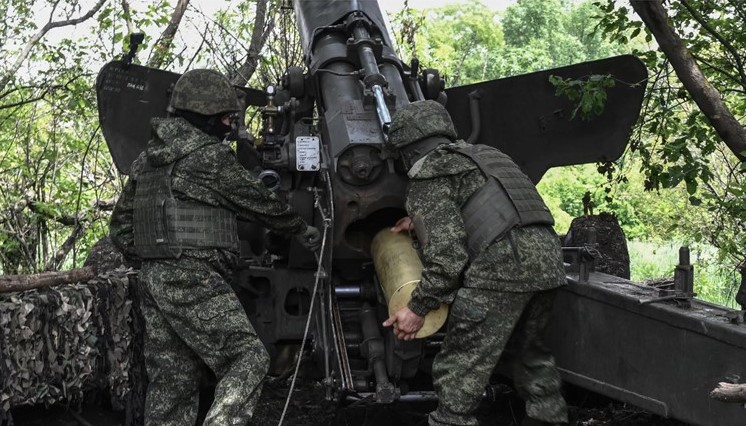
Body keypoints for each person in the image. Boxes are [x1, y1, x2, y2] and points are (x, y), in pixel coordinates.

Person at [109, 69, 321, 426]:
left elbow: (120, 228)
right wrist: (301, 228)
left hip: (153, 280)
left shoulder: (147, 160)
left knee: (172, 384)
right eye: (225, 118)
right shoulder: (210, 157)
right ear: (203, 117)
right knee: (248, 357)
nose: (228, 125)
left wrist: (155, 258)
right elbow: (258, 201)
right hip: (194, 276)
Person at [382, 100, 569, 426]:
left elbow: (448, 258)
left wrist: (417, 309)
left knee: (459, 371)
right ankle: (547, 417)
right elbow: (490, 209)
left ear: (407, 150)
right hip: (549, 264)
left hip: (499, 271)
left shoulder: (431, 173)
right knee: (532, 357)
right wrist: (420, 223)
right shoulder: (488, 157)